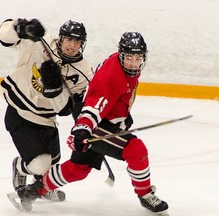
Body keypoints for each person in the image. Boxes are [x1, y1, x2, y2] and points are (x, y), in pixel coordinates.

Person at [16, 32, 169, 215]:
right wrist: (83, 129)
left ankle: (32, 191)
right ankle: (145, 195)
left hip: (98, 121)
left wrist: (121, 117)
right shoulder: (112, 75)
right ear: (121, 55)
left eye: (138, 58)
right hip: (95, 125)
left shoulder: (124, 66)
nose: (133, 63)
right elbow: (95, 105)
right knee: (136, 150)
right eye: (129, 57)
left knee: (78, 169)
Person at [0, 18, 92, 210]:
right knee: (40, 164)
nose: (72, 46)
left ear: (82, 44)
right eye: (68, 40)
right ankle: (20, 166)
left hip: (47, 119)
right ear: (61, 38)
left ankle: (44, 185)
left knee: (54, 168)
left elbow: (65, 109)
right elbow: (3, 37)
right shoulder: (39, 42)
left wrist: (54, 88)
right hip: (20, 112)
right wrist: (21, 27)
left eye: (77, 42)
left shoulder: (83, 73)